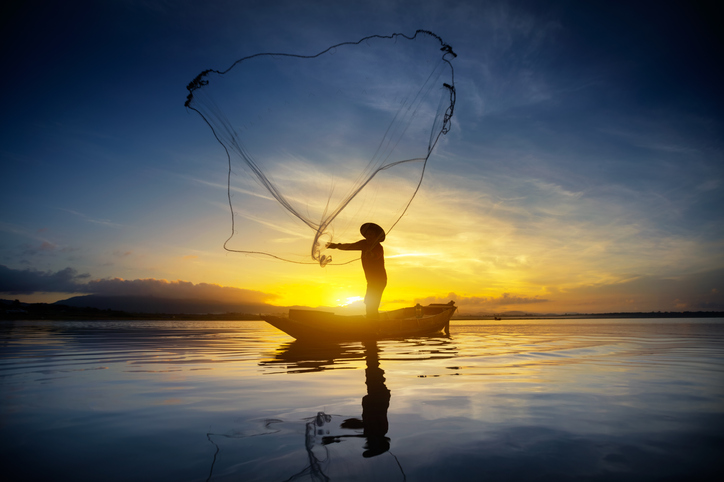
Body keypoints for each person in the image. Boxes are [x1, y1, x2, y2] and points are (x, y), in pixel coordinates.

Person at [326, 223, 387, 319]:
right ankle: (372, 323)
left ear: (375, 236)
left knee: (372, 304)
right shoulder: (364, 244)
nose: (369, 236)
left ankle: (375, 327)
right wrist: (335, 246)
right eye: (368, 234)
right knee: (369, 302)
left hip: (379, 280)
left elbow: (376, 255)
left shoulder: (378, 247)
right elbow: (350, 246)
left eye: (371, 234)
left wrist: (370, 254)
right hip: (371, 281)